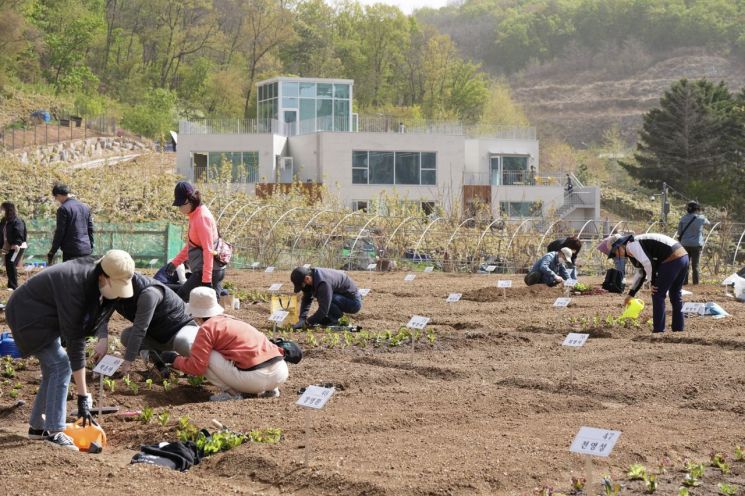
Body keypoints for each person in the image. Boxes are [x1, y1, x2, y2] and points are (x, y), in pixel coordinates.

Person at [5, 250, 134, 450]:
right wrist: (83, 397)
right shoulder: (75, 285)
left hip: (42, 314)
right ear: (103, 276)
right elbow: (76, 342)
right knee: (61, 366)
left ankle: (38, 427)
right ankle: (55, 431)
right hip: (27, 315)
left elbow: (79, 333)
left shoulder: (95, 274)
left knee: (54, 368)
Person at [161, 287, 296, 401]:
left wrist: (175, 360)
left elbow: (197, 367)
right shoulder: (232, 320)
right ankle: (271, 390)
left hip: (256, 380)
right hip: (280, 372)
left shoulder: (207, 328)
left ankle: (232, 393)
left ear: (196, 314)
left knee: (206, 356)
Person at [92, 272, 198, 376]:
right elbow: (103, 318)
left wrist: (128, 361)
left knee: (184, 342)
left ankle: (203, 365)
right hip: (157, 334)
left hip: (179, 329)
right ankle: (166, 359)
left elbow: (140, 328)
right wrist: (103, 340)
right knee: (127, 336)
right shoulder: (112, 291)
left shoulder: (149, 293)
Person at [607, 233, 688, 333]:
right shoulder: (632, 249)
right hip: (683, 256)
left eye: (614, 252)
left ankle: (658, 330)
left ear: (619, 246)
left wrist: (653, 282)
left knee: (657, 294)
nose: (615, 255)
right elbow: (641, 273)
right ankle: (678, 329)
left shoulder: (632, 245)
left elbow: (647, 263)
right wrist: (631, 294)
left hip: (672, 258)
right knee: (675, 294)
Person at [166, 181, 225, 302]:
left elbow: (208, 250)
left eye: (181, 204)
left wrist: (207, 281)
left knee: (181, 299)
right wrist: (175, 263)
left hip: (209, 271)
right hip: (206, 270)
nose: (179, 208)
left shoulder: (202, 218)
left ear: (191, 200)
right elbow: (192, 244)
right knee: (207, 308)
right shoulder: (194, 215)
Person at [291, 266, 362, 328]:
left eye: (303, 285)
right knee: (324, 298)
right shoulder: (312, 276)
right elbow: (307, 299)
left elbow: (324, 309)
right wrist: (302, 319)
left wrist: (307, 323)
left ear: (307, 278)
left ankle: (335, 319)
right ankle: (331, 318)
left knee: (324, 298)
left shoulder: (323, 283)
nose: (304, 287)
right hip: (341, 296)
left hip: (353, 303)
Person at [48, 182, 94, 264]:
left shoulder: (63, 209)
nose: (56, 200)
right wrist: (90, 246)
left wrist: (52, 251)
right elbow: (90, 229)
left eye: (56, 197)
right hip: (86, 249)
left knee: (71, 275)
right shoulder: (85, 207)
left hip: (71, 251)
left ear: (58, 195)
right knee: (84, 275)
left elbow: (60, 232)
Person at [677, 201, 710, 285]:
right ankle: (696, 283)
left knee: (685, 264)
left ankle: (685, 282)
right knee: (695, 265)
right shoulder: (701, 218)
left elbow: (679, 232)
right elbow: (708, 223)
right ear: (697, 209)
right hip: (696, 244)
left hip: (685, 244)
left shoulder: (683, 218)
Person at [0, 202, 27, 289]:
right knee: (8, 265)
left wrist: (17, 243)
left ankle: (14, 286)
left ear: (8, 209)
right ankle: (11, 285)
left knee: (11, 264)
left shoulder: (17, 220)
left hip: (17, 247)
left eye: (2, 208)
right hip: (9, 246)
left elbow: (19, 232)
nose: (1, 210)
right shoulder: (4, 220)